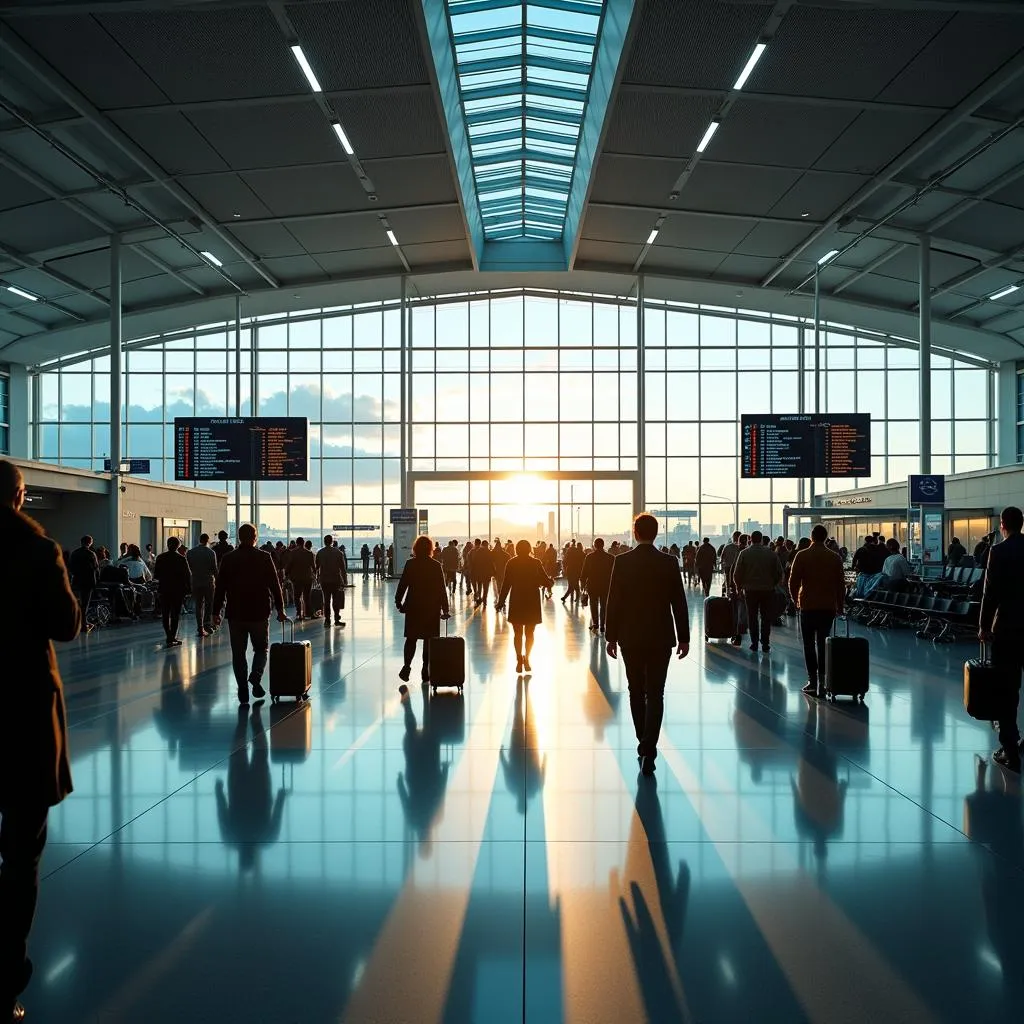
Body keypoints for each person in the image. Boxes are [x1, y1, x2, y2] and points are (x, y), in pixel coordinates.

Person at [0, 460, 80, 1024]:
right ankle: (6, 973)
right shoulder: (36, 549)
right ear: (22, 497)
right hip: (23, 713)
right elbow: (66, 624)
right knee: (22, 851)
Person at [605, 513, 689, 777]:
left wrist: (610, 636)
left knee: (635, 691)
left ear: (634, 532)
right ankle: (649, 748)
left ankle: (644, 743)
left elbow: (613, 602)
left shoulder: (622, 561)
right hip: (660, 636)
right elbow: (679, 602)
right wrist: (684, 637)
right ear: (656, 532)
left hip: (630, 637)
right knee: (656, 693)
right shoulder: (669, 562)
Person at [213, 523, 289, 705]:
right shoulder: (264, 557)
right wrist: (280, 609)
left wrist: (215, 612)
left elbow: (220, 587)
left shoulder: (229, 558)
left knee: (238, 654)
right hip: (259, 612)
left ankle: (242, 690)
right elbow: (275, 585)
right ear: (255, 537)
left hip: (236, 613)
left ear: (239, 537)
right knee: (261, 649)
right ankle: (255, 676)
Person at [979, 506, 1024, 773]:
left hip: (1007, 629)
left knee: (1007, 691)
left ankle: (1009, 749)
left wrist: (984, 626)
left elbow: (990, 593)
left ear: (1003, 525)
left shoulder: (998, 551)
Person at [788, 524, 847, 698]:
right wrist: (840, 605)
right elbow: (840, 584)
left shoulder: (802, 555)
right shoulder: (834, 557)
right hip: (827, 606)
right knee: (823, 643)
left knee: (808, 644)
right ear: (825, 537)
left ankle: (812, 681)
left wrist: (795, 600)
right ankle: (823, 680)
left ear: (812, 537)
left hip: (808, 605)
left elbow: (793, 581)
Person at [395, 535, 450, 684]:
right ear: (431, 549)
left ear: (416, 548)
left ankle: (407, 666)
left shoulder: (410, 564)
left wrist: (398, 601)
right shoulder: (436, 565)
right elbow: (441, 589)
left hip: (414, 607)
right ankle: (425, 669)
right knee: (428, 640)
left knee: (411, 639)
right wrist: (445, 609)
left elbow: (403, 584)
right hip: (431, 608)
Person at [496, 539, 554, 674]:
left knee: (517, 633)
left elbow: (506, 584)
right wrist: (549, 582)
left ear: (517, 549)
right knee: (530, 633)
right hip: (532, 601)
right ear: (529, 549)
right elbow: (546, 581)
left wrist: (500, 602)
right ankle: (527, 658)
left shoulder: (512, 563)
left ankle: (518, 660)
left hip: (517, 600)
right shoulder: (536, 563)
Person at [732, 529, 783, 654]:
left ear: (750, 539)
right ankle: (765, 643)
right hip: (767, 590)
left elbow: (737, 573)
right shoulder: (771, 554)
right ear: (761, 539)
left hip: (750, 590)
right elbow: (779, 572)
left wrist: (739, 587)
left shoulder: (744, 553)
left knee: (752, 616)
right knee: (766, 617)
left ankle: (754, 643)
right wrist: (773, 584)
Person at [154, 537, 192, 648]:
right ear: (178, 546)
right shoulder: (181, 559)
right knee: (175, 614)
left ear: (167, 544)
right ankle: (173, 637)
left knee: (165, 614)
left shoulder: (160, 557)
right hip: (178, 590)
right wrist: (189, 589)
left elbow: (156, 574)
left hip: (164, 588)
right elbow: (187, 575)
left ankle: (168, 635)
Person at [580, 538, 615, 635]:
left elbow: (584, 573)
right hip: (605, 585)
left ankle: (595, 623)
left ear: (594, 545)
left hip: (592, 585)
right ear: (603, 545)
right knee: (604, 606)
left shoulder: (589, 557)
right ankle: (603, 625)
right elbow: (614, 574)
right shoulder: (610, 558)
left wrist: (582, 585)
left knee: (593, 604)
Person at [186, 533, 218, 637]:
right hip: (208, 582)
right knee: (209, 604)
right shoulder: (211, 553)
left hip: (195, 581)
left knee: (198, 605)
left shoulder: (190, 552)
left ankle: (200, 627)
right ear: (207, 540)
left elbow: (188, 568)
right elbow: (214, 569)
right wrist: (218, 581)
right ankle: (207, 625)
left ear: (199, 540)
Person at [315, 534, 347, 629]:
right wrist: (344, 580)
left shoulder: (320, 553)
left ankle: (327, 620)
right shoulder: (338, 553)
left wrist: (317, 578)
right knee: (336, 600)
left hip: (324, 580)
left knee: (326, 600)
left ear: (324, 542)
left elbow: (316, 567)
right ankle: (337, 619)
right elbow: (343, 568)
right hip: (335, 579)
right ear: (332, 541)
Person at [67, 535, 99, 617]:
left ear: (81, 542)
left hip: (77, 580)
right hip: (89, 581)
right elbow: (96, 568)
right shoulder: (91, 554)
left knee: (78, 601)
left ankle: (78, 619)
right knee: (85, 602)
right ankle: (83, 621)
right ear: (90, 542)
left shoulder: (74, 553)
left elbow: (70, 567)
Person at [286, 535, 315, 621]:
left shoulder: (293, 553)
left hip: (296, 578)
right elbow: (313, 566)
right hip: (307, 578)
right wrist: (315, 575)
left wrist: (286, 574)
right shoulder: (309, 553)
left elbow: (289, 565)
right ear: (304, 543)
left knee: (297, 597)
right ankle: (308, 613)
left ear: (297, 543)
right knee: (307, 597)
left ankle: (299, 613)